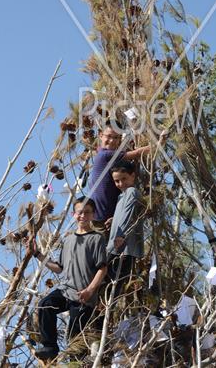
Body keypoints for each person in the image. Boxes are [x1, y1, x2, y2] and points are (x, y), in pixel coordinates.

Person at [30, 197, 107, 361]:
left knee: (74, 338)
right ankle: (49, 346)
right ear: (74, 214)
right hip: (66, 290)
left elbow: (103, 268)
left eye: (87, 213)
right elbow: (59, 268)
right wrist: (37, 254)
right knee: (45, 304)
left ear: (93, 215)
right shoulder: (68, 239)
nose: (83, 216)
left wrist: (90, 290)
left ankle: (77, 362)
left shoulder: (97, 238)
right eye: (80, 212)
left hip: (83, 296)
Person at [87, 121, 150, 231]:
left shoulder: (105, 154)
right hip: (101, 220)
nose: (112, 141)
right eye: (109, 136)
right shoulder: (104, 155)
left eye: (116, 138)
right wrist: (158, 144)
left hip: (109, 218)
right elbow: (136, 154)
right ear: (101, 135)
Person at [106, 160, 144, 298]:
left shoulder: (131, 192)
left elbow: (127, 216)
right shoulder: (122, 196)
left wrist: (120, 236)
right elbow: (124, 215)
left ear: (133, 176)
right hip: (119, 246)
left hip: (122, 248)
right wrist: (114, 219)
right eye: (117, 181)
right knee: (110, 288)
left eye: (124, 179)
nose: (121, 184)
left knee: (111, 288)